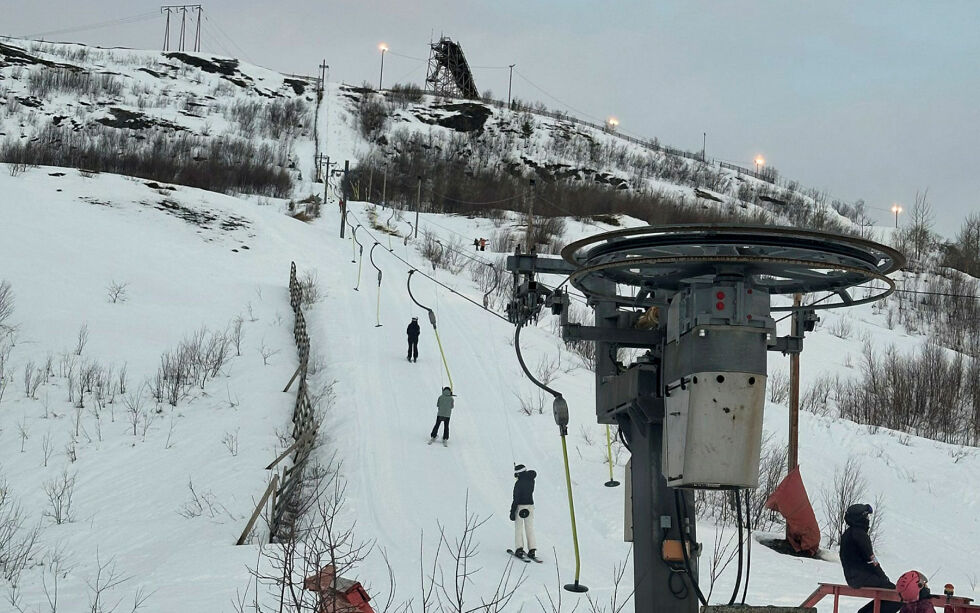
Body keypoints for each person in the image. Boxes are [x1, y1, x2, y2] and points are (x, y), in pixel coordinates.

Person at [840, 503, 901, 613]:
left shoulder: (846, 534)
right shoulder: (860, 535)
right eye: (866, 516)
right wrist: (883, 577)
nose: (868, 520)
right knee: (897, 595)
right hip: (862, 577)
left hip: (852, 577)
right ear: (860, 518)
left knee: (888, 593)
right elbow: (871, 559)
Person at [510, 464, 537, 559]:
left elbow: (516, 499)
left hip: (520, 507)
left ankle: (519, 549)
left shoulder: (518, 484)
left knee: (519, 528)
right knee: (529, 528)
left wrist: (512, 512)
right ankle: (532, 549)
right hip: (530, 506)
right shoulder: (531, 480)